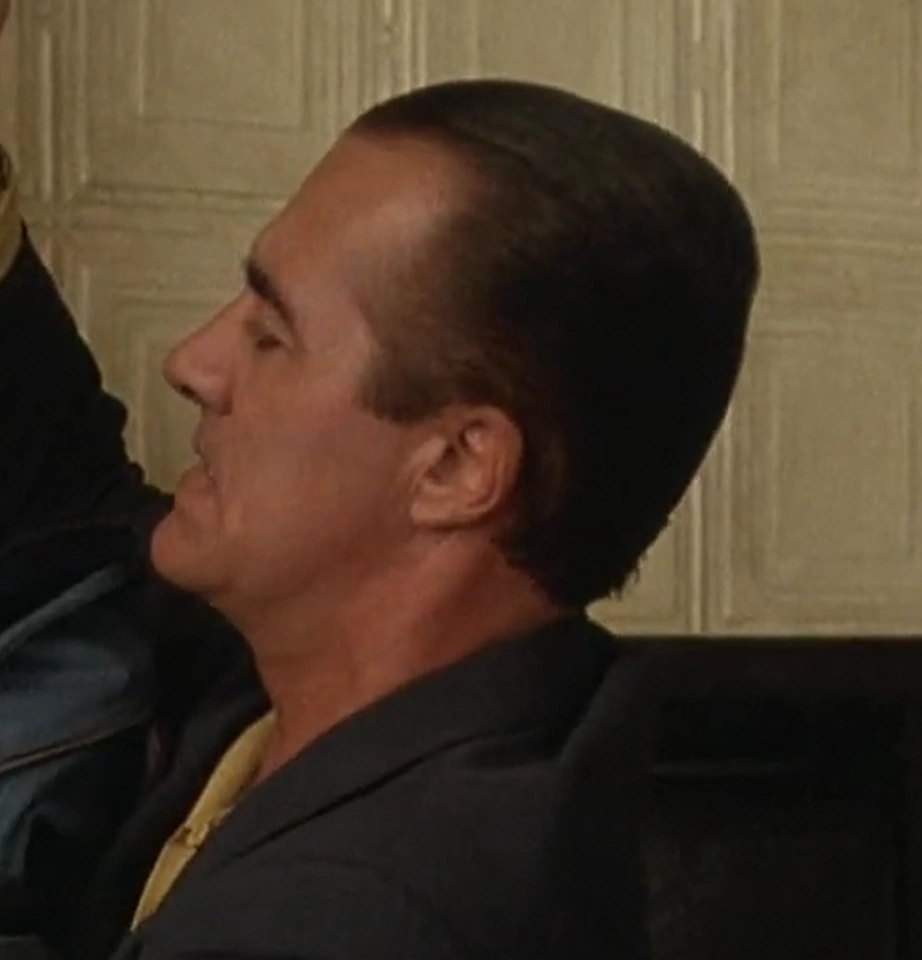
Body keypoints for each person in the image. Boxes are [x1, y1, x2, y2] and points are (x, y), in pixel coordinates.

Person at [0, 18, 760, 956]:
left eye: (270, 335)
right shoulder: (376, 697)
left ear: (454, 468)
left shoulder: (356, 919)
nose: (190, 361)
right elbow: (68, 500)